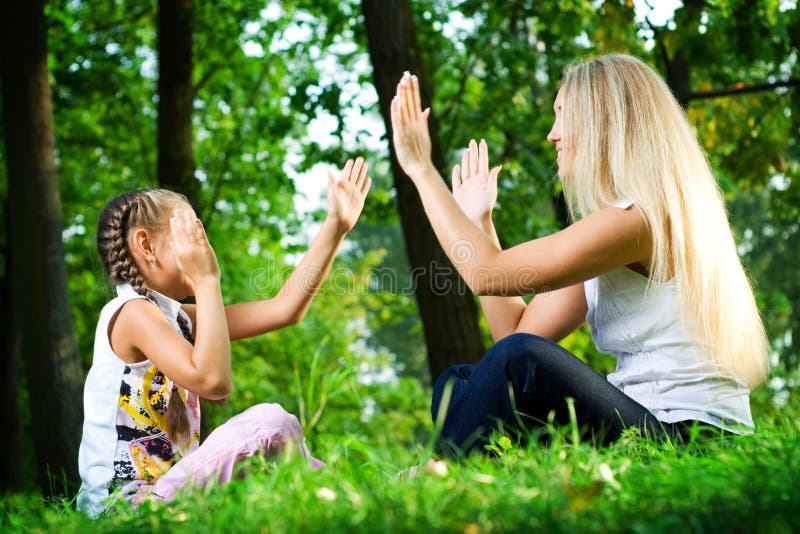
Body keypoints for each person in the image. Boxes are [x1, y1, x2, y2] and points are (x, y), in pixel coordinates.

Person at [389, 54, 768, 455]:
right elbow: (515, 336)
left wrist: (420, 169)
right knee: (462, 382)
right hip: (647, 425)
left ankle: (443, 473)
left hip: (689, 439)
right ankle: (465, 476)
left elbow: (487, 277)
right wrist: (480, 223)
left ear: (603, 122)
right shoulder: (619, 227)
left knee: (516, 364)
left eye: (562, 115)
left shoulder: (639, 219)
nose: (552, 134)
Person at [78, 158, 371, 516]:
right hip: (124, 511)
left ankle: (347, 497)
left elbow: (284, 309)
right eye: (190, 233)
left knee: (274, 446)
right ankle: (348, 496)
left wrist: (335, 227)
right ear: (146, 245)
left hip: (168, 495)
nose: (203, 245)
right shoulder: (132, 313)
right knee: (270, 425)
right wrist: (206, 280)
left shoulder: (176, 320)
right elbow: (213, 381)